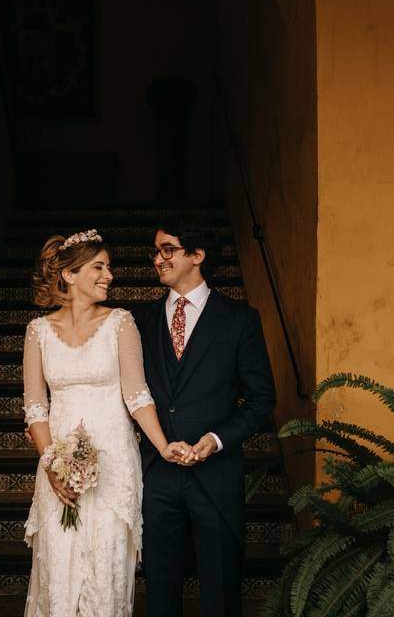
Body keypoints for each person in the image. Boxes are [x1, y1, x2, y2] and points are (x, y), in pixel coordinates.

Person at [22, 228, 193, 617]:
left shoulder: (121, 322)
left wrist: (164, 446)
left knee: (106, 568)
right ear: (69, 275)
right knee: (60, 563)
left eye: (109, 267)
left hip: (114, 465)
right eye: (99, 267)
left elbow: (137, 395)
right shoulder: (38, 332)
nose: (109, 276)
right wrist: (51, 464)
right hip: (58, 467)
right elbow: (35, 407)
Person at [134, 216, 276, 617]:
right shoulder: (138, 321)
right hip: (155, 475)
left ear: (197, 255)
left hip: (215, 475)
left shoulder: (239, 320)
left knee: (220, 590)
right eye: (156, 251)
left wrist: (214, 441)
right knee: (160, 591)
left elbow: (262, 399)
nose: (158, 259)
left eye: (168, 250)